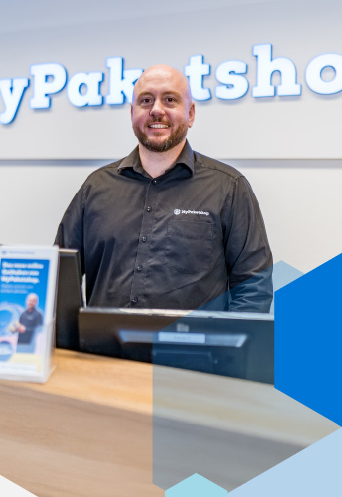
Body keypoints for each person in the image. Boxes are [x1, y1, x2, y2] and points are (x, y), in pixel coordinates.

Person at [55, 64, 272, 312]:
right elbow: (59, 277)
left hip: (193, 340)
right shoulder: (95, 187)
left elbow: (253, 289)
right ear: (132, 113)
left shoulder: (229, 188)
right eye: (146, 101)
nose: (156, 110)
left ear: (191, 114)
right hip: (103, 339)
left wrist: (228, 339)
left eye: (170, 100)